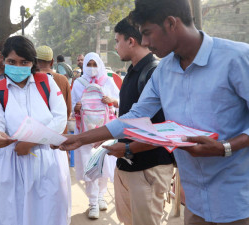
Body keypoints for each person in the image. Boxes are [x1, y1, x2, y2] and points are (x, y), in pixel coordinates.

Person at [59, 0, 249, 224]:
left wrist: (226, 147)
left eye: (147, 33)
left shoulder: (236, 58)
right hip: (195, 203)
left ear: (171, 23)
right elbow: (134, 117)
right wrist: (79, 139)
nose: (146, 42)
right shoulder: (165, 70)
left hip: (238, 202)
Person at [0, 36, 71, 225]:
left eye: (24, 62)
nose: (18, 66)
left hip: (47, 161)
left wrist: (31, 142)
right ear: (2, 60)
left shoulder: (46, 83)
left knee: (48, 212)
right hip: (12, 162)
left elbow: (59, 119)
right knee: (14, 213)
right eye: (12, 61)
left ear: (32, 63)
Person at [110, 17, 174, 225]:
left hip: (149, 168)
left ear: (131, 41)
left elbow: (164, 130)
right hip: (127, 165)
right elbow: (130, 119)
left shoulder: (154, 72)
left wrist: (128, 149)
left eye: (117, 40)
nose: (116, 46)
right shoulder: (132, 71)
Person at [71, 52, 119, 219]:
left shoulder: (109, 81)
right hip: (85, 132)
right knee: (88, 165)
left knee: (104, 162)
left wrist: (110, 100)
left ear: (99, 64)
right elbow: (71, 106)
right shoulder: (78, 83)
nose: (92, 68)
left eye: (94, 64)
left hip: (105, 131)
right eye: (88, 64)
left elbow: (119, 101)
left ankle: (101, 197)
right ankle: (92, 202)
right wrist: (75, 108)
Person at [36, 45, 72, 133]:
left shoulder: (32, 79)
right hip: (59, 134)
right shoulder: (63, 79)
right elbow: (68, 109)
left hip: (37, 133)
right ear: (52, 62)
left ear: (35, 61)